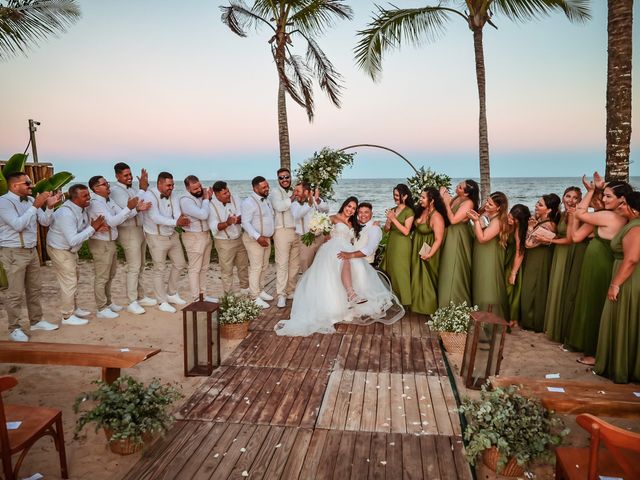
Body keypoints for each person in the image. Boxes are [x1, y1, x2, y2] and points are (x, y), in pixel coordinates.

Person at [274, 197, 404, 337]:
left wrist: (376, 223)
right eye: (349, 206)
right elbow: (319, 232)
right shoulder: (333, 218)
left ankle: (352, 296)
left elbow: (367, 225)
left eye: (354, 209)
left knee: (353, 265)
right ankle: (351, 294)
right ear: (344, 205)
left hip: (347, 248)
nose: (350, 210)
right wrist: (317, 228)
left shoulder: (354, 222)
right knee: (343, 261)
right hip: (332, 248)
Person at [565, 177, 632, 365]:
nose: (604, 199)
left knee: (594, 305)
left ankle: (593, 353)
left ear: (622, 199)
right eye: (604, 195)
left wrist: (591, 191)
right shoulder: (614, 215)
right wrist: (596, 192)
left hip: (600, 266)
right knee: (592, 303)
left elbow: (580, 212)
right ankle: (592, 349)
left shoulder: (609, 216)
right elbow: (577, 236)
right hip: (598, 263)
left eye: (608, 196)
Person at [0, 172, 61, 342]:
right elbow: (18, 225)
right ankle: (14, 328)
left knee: (34, 289)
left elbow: (45, 222)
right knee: (15, 293)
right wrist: (35, 205)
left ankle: (36, 321)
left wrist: (49, 207)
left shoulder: (28, 201)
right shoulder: (4, 202)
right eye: (27, 183)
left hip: (31, 251)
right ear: (14, 186)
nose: (31, 186)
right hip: (13, 251)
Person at [87, 175, 149, 319]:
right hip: (100, 242)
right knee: (102, 277)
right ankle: (101, 308)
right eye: (104, 184)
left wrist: (134, 209)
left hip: (110, 241)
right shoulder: (96, 203)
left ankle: (108, 303)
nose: (107, 185)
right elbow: (113, 221)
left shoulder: (108, 200)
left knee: (110, 274)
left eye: (107, 183)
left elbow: (123, 215)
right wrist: (129, 208)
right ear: (96, 188)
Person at [595, 190, 640, 383]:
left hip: (628, 280)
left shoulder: (635, 228)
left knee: (623, 319)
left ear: (634, 209)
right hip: (625, 277)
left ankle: (623, 367)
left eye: (623, 204)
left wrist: (615, 285)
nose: (620, 207)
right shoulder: (630, 224)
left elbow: (631, 259)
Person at [47, 184, 106, 326]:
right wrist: (93, 228)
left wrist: (94, 228)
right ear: (74, 198)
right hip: (60, 249)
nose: (89, 198)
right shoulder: (65, 214)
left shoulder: (81, 209)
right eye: (85, 196)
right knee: (69, 281)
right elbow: (73, 239)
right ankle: (67, 316)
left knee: (75, 278)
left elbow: (82, 228)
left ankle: (74, 308)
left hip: (70, 249)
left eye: (88, 195)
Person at [110, 162, 156, 315]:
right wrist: (142, 190)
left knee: (141, 264)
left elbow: (139, 205)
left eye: (130, 174)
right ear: (117, 176)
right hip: (128, 231)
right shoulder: (116, 191)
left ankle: (140, 296)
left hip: (139, 229)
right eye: (125, 175)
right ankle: (131, 301)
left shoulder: (132, 189)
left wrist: (141, 192)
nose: (129, 177)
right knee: (134, 266)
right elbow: (128, 211)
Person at [142, 172, 190, 314]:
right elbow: (155, 217)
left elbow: (176, 213)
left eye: (173, 185)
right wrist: (176, 222)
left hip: (172, 235)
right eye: (169, 185)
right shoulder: (149, 195)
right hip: (156, 237)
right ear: (159, 184)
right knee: (159, 269)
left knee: (180, 264)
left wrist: (179, 220)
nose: (172, 188)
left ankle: (171, 293)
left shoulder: (173, 195)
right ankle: (162, 301)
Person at [543, 186, 582, 343]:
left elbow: (569, 239)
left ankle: (561, 330)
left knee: (562, 287)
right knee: (556, 286)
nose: (570, 200)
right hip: (559, 252)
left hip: (568, 252)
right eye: (568, 196)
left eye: (575, 198)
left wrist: (549, 240)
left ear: (580, 200)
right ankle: (553, 326)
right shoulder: (562, 214)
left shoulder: (574, 215)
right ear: (563, 197)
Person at [519, 193, 560, 332]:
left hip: (539, 259)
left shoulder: (548, 225)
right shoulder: (541, 221)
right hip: (535, 257)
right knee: (531, 288)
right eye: (537, 203)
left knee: (533, 288)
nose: (536, 206)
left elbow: (529, 244)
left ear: (549, 210)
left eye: (540, 205)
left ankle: (532, 322)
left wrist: (530, 228)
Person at [468, 191, 510, 318]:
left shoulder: (497, 221)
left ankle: (490, 321)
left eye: (490, 204)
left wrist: (475, 221)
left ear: (498, 207)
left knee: (488, 285)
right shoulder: (487, 214)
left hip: (490, 257)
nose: (486, 205)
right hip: (481, 254)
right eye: (487, 201)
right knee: (479, 283)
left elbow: (483, 238)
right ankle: (479, 317)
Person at [438, 180, 479, 307]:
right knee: (446, 266)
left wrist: (445, 202)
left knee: (453, 267)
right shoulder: (457, 197)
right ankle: (444, 302)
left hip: (458, 236)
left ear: (466, 194)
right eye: (458, 185)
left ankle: (454, 304)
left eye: (460, 187)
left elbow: (454, 220)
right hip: (449, 233)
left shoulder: (468, 203)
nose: (457, 187)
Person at [208, 180, 250, 295]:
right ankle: (229, 294)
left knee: (243, 265)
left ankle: (245, 288)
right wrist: (227, 223)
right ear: (217, 195)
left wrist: (239, 219)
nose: (228, 195)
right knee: (227, 270)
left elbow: (243, 213)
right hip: (223, 242)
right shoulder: (211, 205)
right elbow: (214, 226)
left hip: (239, 237)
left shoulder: (235, 198)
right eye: (225, 193)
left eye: (228, 191)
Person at [410, 188, 447, 315]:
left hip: (428, 248)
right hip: (417, 246)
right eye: (420, 197)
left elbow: (438, 239)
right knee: (416, 276)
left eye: (423, 197)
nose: (420, 199)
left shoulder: (436, 217)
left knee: (427, 279)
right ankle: (416, 305)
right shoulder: (421, 210)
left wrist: (429, 254)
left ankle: (429, 307)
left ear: (432, 201)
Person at [179, 175, 216, 302]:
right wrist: (206, 199)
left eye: (199, 186)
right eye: (195, 189)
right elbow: (203, 214)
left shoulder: (200, 197)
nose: (199, 190)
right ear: (187, 188)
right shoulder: (185, 200)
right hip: (193, 237)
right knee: (195, 268)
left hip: (205, 234)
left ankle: (203, 295)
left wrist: (208, 199)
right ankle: (195, 297)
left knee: (204, 267)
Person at [241, 176, 275, 309]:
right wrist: (257, 237)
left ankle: (260, 290)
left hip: (266, 239)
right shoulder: (248, 203)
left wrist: (269, 235)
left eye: (267, 186)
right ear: (255, 188)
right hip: (254, 240)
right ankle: (254, 296)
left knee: (264, 266)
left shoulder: (267, 200)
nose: (267, 189)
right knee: (256, 267)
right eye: (264, 187)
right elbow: (245, 222)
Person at [380, 183, 415, 306]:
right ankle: (394, 300)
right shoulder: (393, 210)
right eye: (393, 195)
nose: (395, 197)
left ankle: (405, 301)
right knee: (391, 271)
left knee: (401, 272)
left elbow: (406, 231)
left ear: (405, 196)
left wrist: (394, 219)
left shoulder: (409, 211)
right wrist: (389, 221)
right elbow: (386, 229)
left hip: (402, 245)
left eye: (397, 195)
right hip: (392, 243)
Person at [270, 168, 300, 308]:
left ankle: (290, 290)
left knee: (295, 264)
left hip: (297, 231)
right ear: (278, 180)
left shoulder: (295, 190)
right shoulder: (276, 192)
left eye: (286, 177)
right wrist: (293, 197)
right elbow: (279, 206)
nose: (284, 180)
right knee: (282, 264)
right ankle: (281, 294)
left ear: (290, 177)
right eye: (281, 178)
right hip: (282, 231)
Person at [290, 182, 329, 272]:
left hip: (320, 238)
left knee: (320, 265)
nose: (295, 193)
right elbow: (297, 215)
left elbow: (326, 209)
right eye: (294, 191)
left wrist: (318, 200)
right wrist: (309, 205)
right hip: (305, 240)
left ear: (306, 192)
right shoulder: (294, 205)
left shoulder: (315, 201)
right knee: (305, 265)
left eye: (297, 191)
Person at [504, 204, 531, 325]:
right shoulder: (512, 226)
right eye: (509, 216)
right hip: (508, 258)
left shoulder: (519, 230)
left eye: (512, 219)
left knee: (510, 288)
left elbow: (520, 253)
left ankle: (511, 318)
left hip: (513, 261)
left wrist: (513, 272)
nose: (509, 220)